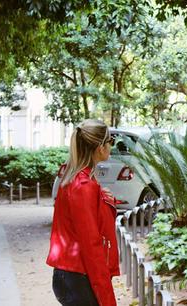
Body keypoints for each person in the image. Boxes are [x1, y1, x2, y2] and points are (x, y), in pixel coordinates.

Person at [46, 119, 119, 306]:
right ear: (100, 147)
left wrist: (102, 197)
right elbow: (91, 244)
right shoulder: (83, 185)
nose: (112, 145)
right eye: (110, 140)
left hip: (72, 275)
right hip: (79, 277)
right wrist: (107, 297)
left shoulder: (78, 177)